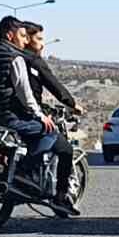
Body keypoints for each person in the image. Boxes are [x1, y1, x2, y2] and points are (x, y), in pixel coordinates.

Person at [0, 15, 77, 215]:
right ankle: (32, 175)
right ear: (10, 35)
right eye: (22, 36)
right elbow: (25, 94)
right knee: (51, 132)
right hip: (7, 119)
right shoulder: (15, 58)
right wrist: (41, 116)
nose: (25, 41)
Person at [20, 21, 81, 202]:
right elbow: (54, 85)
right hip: (29, 114)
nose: (42, 44)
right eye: (39, 39)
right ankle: (60, 195)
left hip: (6, 114)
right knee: (65, 149)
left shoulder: (10, 57)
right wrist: (72, 104)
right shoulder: (33, 61)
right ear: (27, 38)